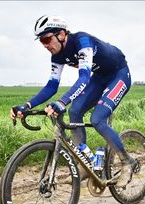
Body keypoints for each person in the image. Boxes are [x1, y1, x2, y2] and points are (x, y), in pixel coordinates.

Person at [10, 15, 135, 188]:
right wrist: (27, 105)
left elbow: (83, 78)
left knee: (97, 119)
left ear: (61, 34)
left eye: (47, 39)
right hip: (99, 77)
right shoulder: (57, 56)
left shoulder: (82, 42)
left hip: (119, 74)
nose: (45, 45)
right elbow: (51, 86)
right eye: (41, 41)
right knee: (74, 112)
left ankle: (127, 161)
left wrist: (61, 102)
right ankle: (85, 164)